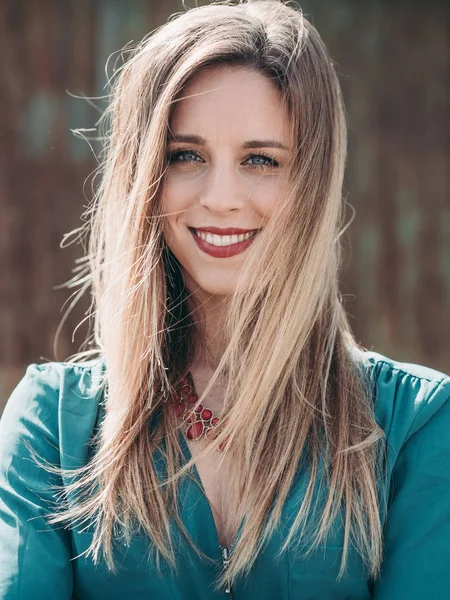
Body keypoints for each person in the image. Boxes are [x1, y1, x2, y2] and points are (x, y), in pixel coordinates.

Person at [1, 1, 449, 598]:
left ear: (312, 182)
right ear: (146, 174)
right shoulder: (51, 423)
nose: (221, 197)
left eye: (260, 160)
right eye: (186, 155)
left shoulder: (415, 426)